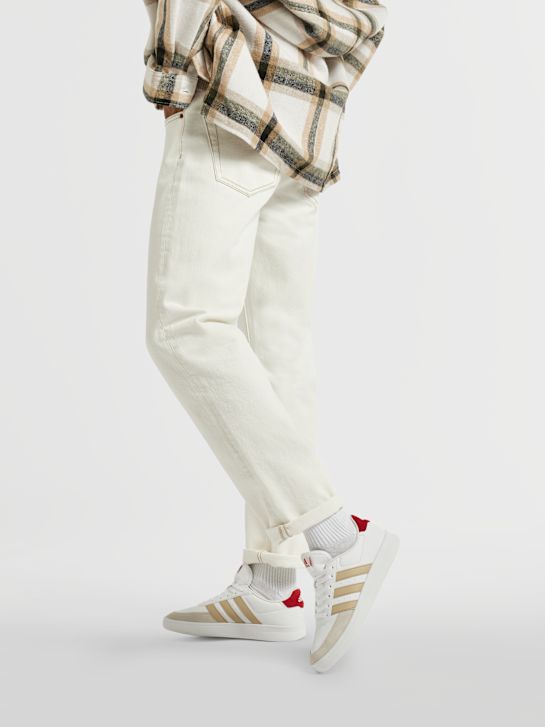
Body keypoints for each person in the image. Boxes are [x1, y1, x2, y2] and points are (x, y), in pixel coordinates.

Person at [141, 0, 398, 672]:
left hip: (234, 89)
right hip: (305, 108)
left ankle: (336, 537)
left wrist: (171, 72)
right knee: (274, 342)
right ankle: (272, 581)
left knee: (184, 325)